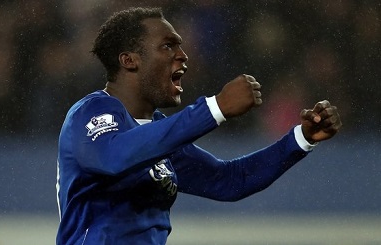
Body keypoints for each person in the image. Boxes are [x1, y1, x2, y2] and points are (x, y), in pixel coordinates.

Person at [56, 7, 342, 245]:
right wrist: (214, 108)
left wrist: (301, 139)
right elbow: (115, 157)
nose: (182, 54)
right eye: (168, 45)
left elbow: (231, 181)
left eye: (179, 45)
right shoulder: (90, 112)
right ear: (129, 60)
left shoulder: (159, 133)